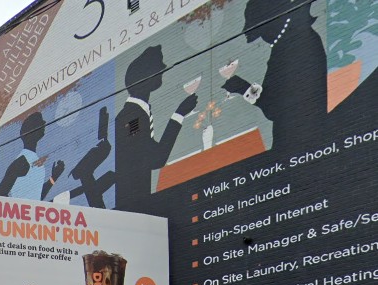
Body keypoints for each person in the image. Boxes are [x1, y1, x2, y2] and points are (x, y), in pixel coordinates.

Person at [221, 0, 327, 153]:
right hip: (300, 147)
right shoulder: (292, 41)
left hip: (299, 146)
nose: (262, 38)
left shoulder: (294, 46)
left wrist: (243, 88)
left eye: (259, 30)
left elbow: (275, 109)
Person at [113, 45, 197, 210]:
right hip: (135, 207)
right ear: (147, 77)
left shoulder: (136, 113)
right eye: (158, 70)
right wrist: (179, 114)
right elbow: (156, 158)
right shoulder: (132, 117)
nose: (161, 73)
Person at [0, 111, 65, 200]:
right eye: (40, 123)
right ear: (31, 131)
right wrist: (18, 207)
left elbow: (36, 197)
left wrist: (54, 177)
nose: (44, 124)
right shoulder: (21, 161)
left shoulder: (33, 159)